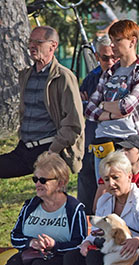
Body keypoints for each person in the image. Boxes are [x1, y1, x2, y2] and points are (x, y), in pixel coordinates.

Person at [64, 150, 139, 265]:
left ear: (129, 176)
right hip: (109, 249)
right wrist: (86, 243)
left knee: (95, 257)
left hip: (132, 253)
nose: (111, 183)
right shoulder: (104, 201)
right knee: (72, 257)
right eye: (106, 179)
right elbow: (94, 232)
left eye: (115, 178)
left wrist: (137, 240)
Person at [0, 26, 84, 179]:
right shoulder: (26, 75)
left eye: (38, 42)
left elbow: (74, 123)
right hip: (25, 148)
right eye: (30, 41)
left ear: (53, 46)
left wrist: (53, 151)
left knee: (48, 196)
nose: (32, 46)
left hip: (49, 149)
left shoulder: (63, 77)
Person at [0, 152, 87, 265]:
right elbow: (15, 237)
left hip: (58, 260)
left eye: (43, 180)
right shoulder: (30, 205)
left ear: (61, 182)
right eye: (35, 179)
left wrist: (55, 245)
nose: (37, 184)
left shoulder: (73, 208)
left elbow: (80, 243)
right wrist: (31, 242)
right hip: (30, 256)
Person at [84, 19, 139, 176]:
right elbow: (90, 110)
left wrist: (103, 106)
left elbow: (126, 106)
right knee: (105, 190)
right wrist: (111, 112)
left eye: (117, 40)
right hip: (103, 140)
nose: (113, 45)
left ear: (132, 42)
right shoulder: (108, 73)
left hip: (128, 141)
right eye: (112, 41)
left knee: (127, 189)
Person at [78, 34, 117, 210]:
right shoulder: (92, 78)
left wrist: (93, 106)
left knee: (110, 180)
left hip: (114, 139)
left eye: (114, 57)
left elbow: (122, 108)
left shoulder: (125, 75)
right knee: (86, 172)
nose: (110, 62)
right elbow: (81, 106)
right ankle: (86, 219)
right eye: (105, 58)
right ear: (96, 57)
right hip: (92, 137)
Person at [92, 135, 139, 211]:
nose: (123, 152)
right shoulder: (111, 171)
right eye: (122, 149)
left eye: (128, 149)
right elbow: (96, 208)